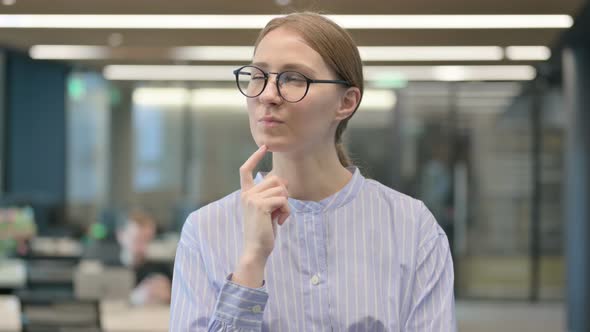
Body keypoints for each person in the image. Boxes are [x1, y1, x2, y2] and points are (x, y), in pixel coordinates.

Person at [170, 12, 456, 331]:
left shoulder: (412, 228)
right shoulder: (206, 230)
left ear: (346, 102)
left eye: (294, 78)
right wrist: (250, 264)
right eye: (258, 76)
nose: (267, 95)